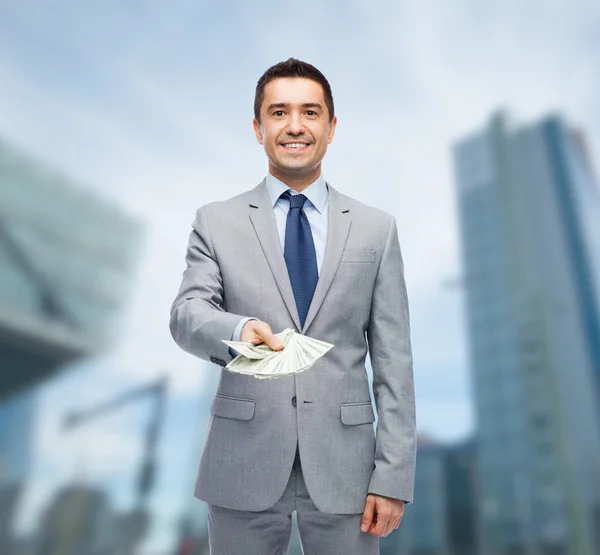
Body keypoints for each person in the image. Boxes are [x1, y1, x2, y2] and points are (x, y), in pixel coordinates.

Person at [169, 58, 416, 555]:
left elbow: (394, 362)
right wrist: (238, 330)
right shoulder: (216, 221)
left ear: (331, 127)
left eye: (310, 112)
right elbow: (187, 313)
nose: (295, 126)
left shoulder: (376, 229)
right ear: (259, 129)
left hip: (348, 467)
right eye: (279, 113)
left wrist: (393, 475)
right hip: (243, 460)